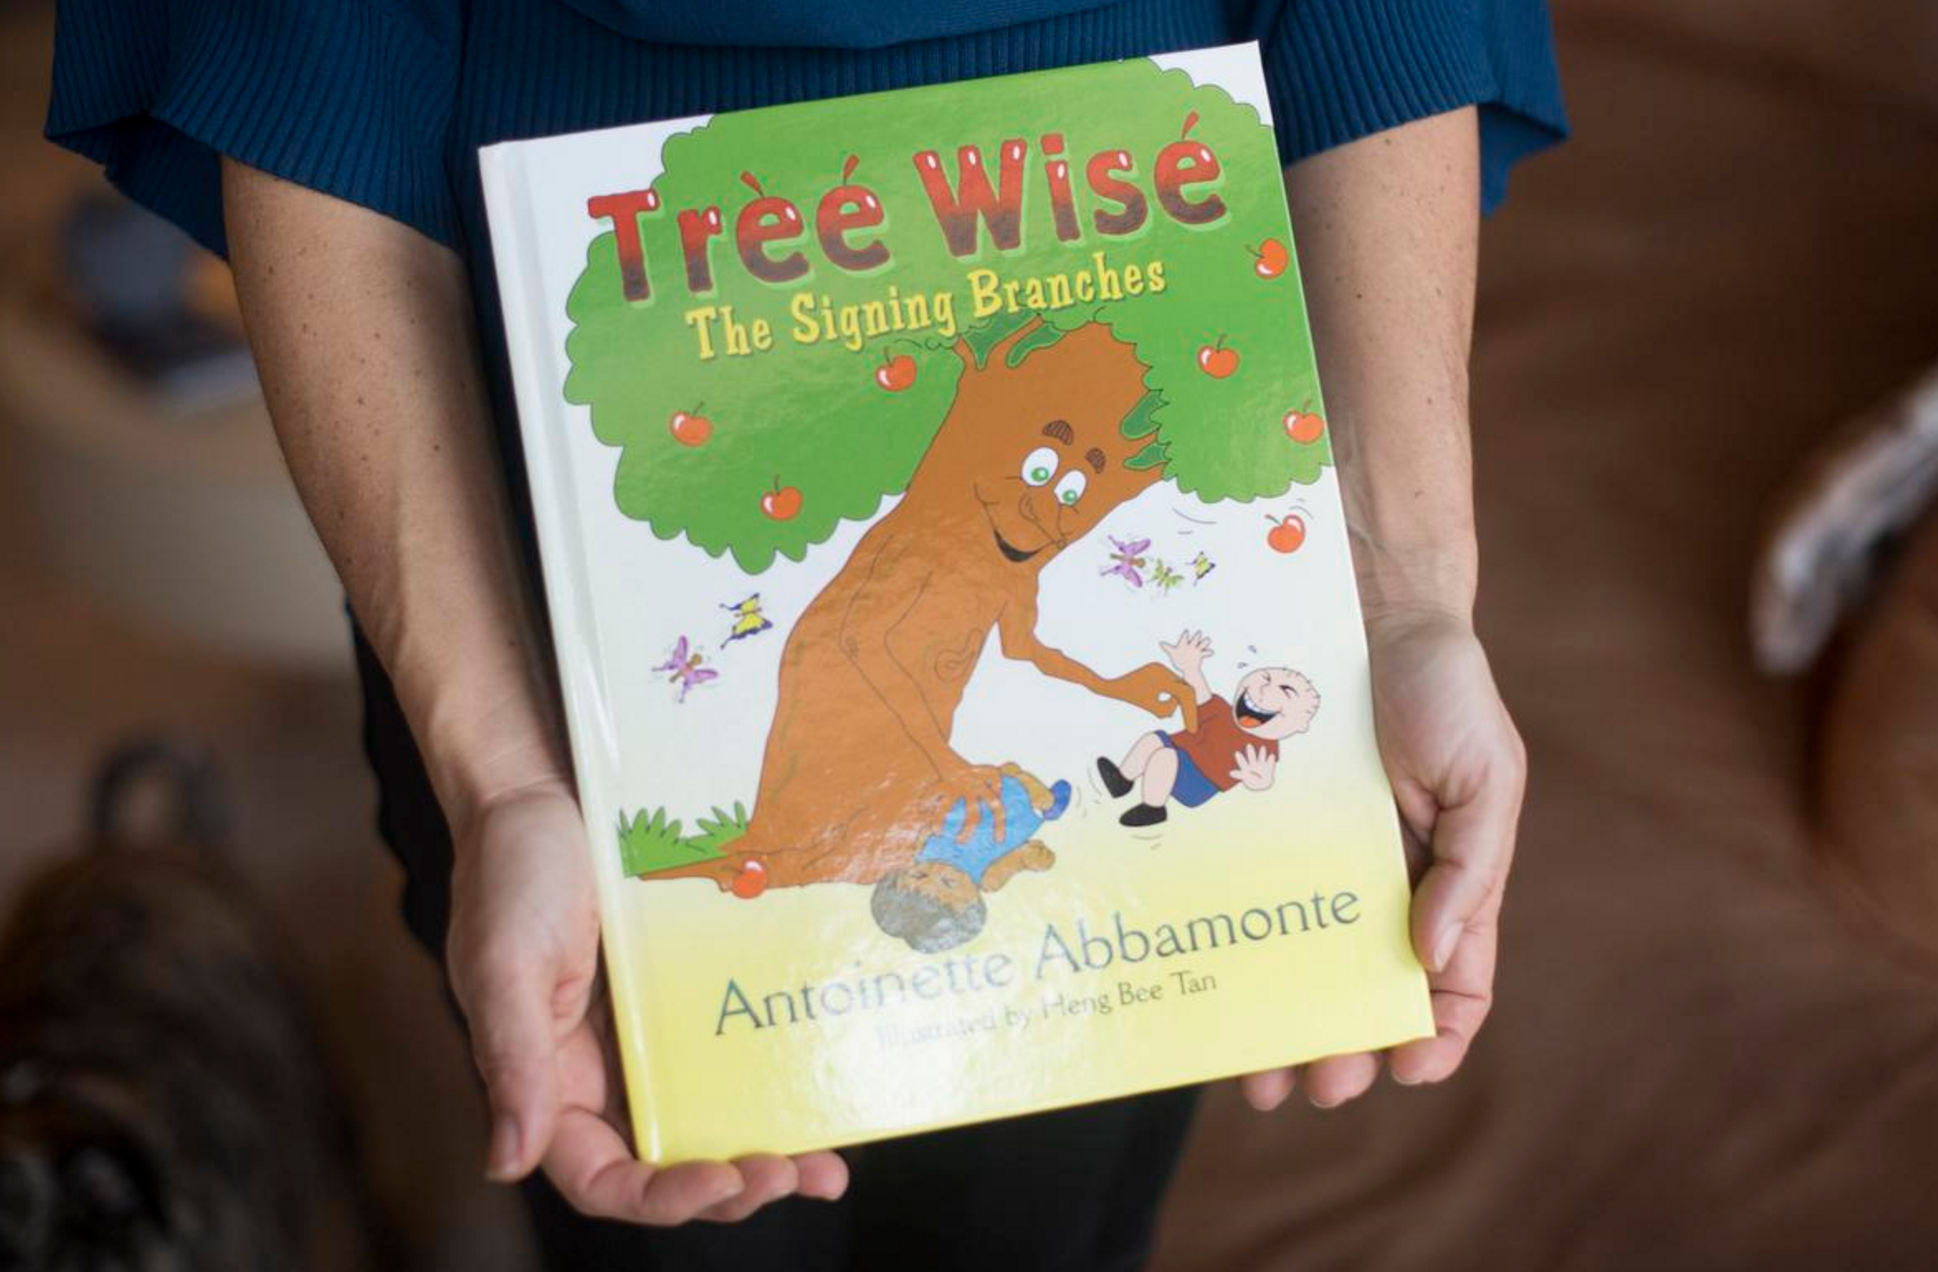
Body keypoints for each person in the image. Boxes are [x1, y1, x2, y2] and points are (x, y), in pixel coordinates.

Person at [46, 2, 1560, 1267]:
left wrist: (1405, 598)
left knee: (1041, 1220)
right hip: (550, 562)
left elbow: (1386, 23)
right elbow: (313, 70)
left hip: (1148, 239)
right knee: (667, 1220)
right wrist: (503, 778)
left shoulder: (1024, 534)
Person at [1099, 631, 1319, 827]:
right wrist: (1190, 667)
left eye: (1286, 691)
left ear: (1300, 724)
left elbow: (1264, 777)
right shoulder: (1223, 710)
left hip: (1200, 780)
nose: (1264, 688)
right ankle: (1121, 780)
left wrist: (1259, 780)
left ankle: (1153, 807)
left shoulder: (1265, 749)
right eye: (1266, 678)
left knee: (1164, 757)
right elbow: (1200, 695)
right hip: (1183, 751)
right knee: (1152, 740)